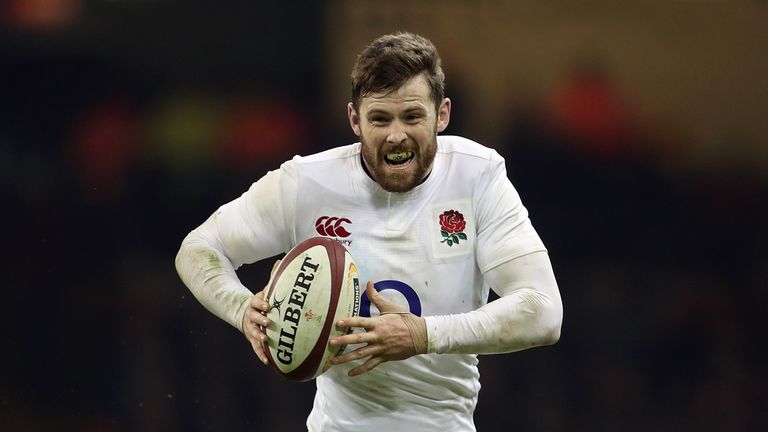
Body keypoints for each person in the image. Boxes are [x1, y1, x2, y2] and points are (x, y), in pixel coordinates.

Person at [176, 32, 563, 431]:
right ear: (354, 120)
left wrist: (422, 334)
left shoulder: (477, 176)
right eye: (380, 118)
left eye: (412, 116)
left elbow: (544, 312)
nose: (396, 135)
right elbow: (198, 248)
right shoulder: (307, 184)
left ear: (442, 115)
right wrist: (241, 309)